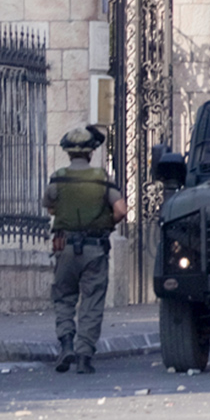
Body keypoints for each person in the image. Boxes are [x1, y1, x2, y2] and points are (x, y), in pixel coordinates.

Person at [43, 125, 128, 374]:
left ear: (68, 153)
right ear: (90, 153)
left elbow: (49, 205)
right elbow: (121, 210)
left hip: (64, 247)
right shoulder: (102, 178)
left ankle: (66, 343)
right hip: (95, 248)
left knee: (64, 297)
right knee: (91, 301)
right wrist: (105, 223)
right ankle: (83, 357)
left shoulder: (58, 178)